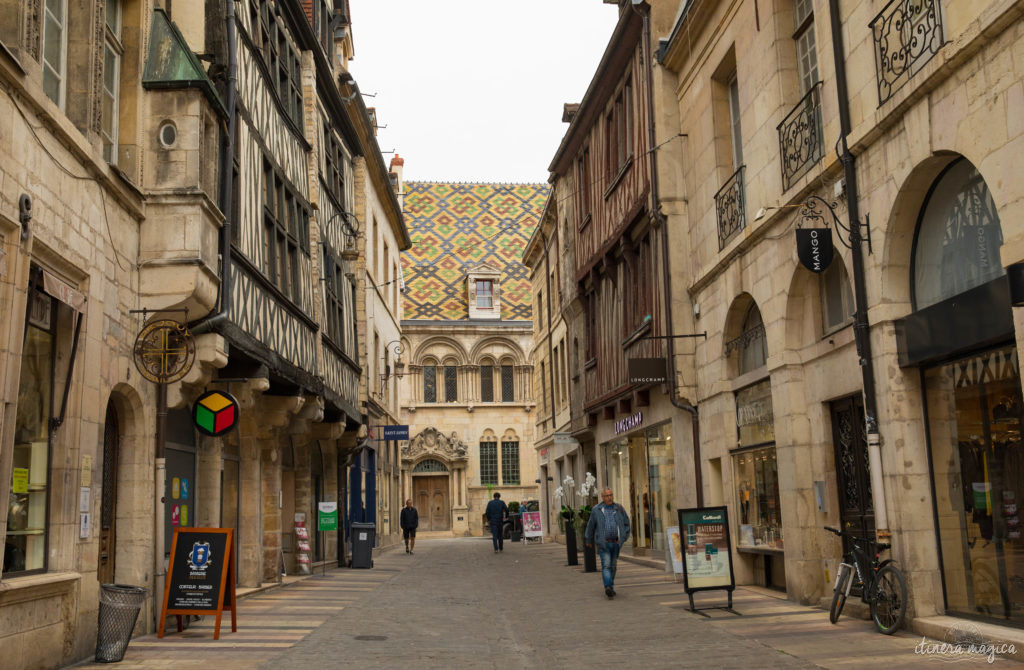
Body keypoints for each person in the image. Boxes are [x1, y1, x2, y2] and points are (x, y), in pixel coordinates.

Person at [585, 488, 631, 598]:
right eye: (607, 496)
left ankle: (610, 586)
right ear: (602, 497)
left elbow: (626, 523)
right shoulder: (597, 510)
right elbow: (590, 526)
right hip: (603, 543)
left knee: (613, 566)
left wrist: (623, 537)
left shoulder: (618, 508)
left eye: (611, 495)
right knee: (606, 565)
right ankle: (608, 587)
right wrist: (588, 539)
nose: (609, 497)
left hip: (615, 543)